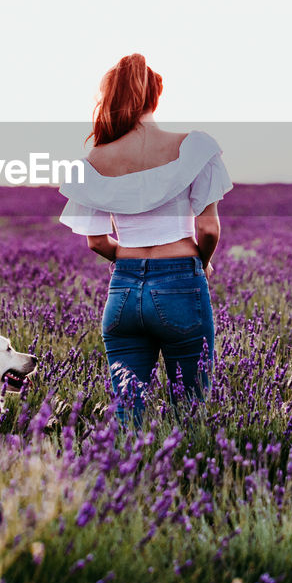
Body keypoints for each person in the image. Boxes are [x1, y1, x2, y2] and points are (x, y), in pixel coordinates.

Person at [58, 53, 232, 425]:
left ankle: (125, 477)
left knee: (127, 410)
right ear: (156, 95)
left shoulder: (94, 160)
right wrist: (200, 261)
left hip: (122, 293)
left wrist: (133, 261)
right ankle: (184, 479)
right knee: (190, 407)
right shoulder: (194, 146)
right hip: (181, 283)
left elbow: (96, 242)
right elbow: (209, 229)